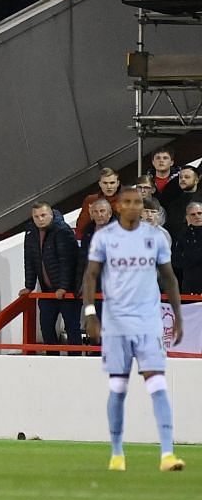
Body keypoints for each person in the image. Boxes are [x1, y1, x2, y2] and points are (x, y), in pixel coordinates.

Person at [82, 185, 185, 472]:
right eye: (127, 201)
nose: (132, 206)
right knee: (118, 387)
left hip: (149, 322)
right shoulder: (105, 238)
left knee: (157, 383)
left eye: (137, 202)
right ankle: (117, 453)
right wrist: (91, 314)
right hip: (115, 324)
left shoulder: (156, 237)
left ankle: (167, 454)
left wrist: (177, 315)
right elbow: (90, 276)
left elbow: (170, 278)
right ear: (117, 206)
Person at [24, 199, 82, 353]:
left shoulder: (63, 231)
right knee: (46, 326)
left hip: (68, 292)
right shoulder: (30, 232)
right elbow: (29, 260)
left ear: (51, 215)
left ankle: (76, 361)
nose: (40, 219)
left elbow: (68, 261)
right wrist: (29, 286)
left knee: (72, 327)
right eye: (36, 216)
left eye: (43, 215)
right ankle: (52, 360)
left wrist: (63, 287)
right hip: (47, 291)